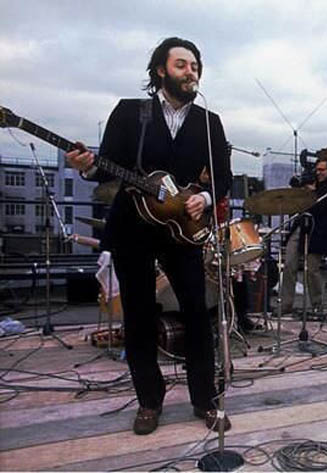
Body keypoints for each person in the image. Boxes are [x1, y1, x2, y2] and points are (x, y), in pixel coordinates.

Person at [65, 37, 232, 434]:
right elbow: (105, 167)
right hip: (133, 228)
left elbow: (222, 177)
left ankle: (205, 400)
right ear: (161, 70)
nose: (190, 71)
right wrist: (85, 167)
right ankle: (149, 402)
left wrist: (205, 199)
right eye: (181, 65)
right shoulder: (131, 113)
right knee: (139, 316)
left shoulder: (209, 123)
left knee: (197, 312)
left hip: (183, 230)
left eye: (194, 65)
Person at [281, 157, 327, 314]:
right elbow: (294, 184)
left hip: (318, 231)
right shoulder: (311, 180)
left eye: (322, 170)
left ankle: (316, 304)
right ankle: (286, 303)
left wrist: (312, 192)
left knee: (311, 269)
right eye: (317, 169)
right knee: (289, 264)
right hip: (301, 226)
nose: (318, 173)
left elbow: (326, 207)